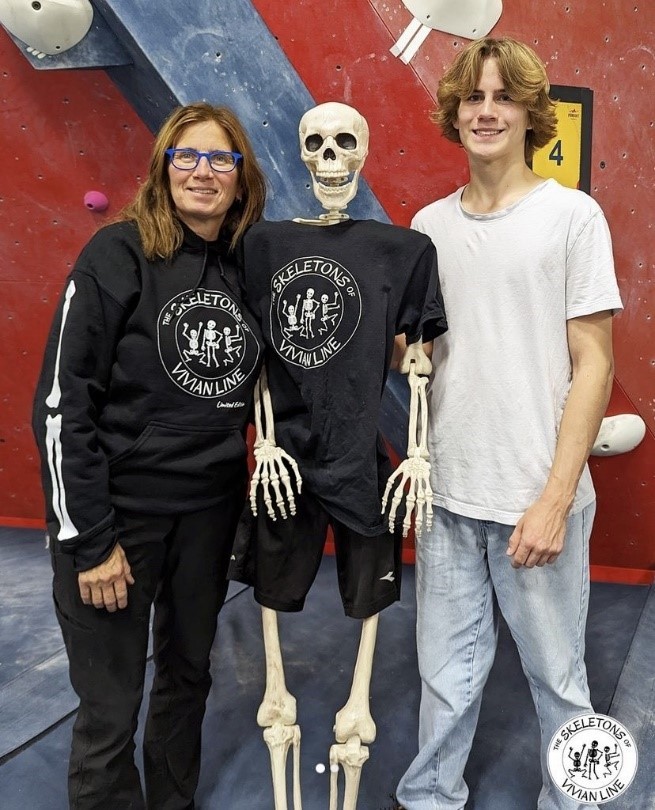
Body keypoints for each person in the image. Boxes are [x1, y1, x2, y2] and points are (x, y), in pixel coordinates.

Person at [395, 37, 623, 810]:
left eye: (502, 97)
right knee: (443, 683)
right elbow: (423, 349)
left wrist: (555, 497)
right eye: (471, 98)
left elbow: (593, 364)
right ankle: (428, 798)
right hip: (449, 497)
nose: (485, 111)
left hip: (535, 494)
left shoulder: (570, 216)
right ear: (453, 115)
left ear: (530, 113)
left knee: (559, 682)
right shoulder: (426, 224)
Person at [32, 102, 267, 810]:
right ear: (162, 169)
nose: (202, 171)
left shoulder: (249, 266)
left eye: (219, 158)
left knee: (186, 677)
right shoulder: (117, 254)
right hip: (119, 518)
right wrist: (90, 540)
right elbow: (61, 403)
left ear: (240, 175)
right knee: (108, 706)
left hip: (206, 515)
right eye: (186, 156)